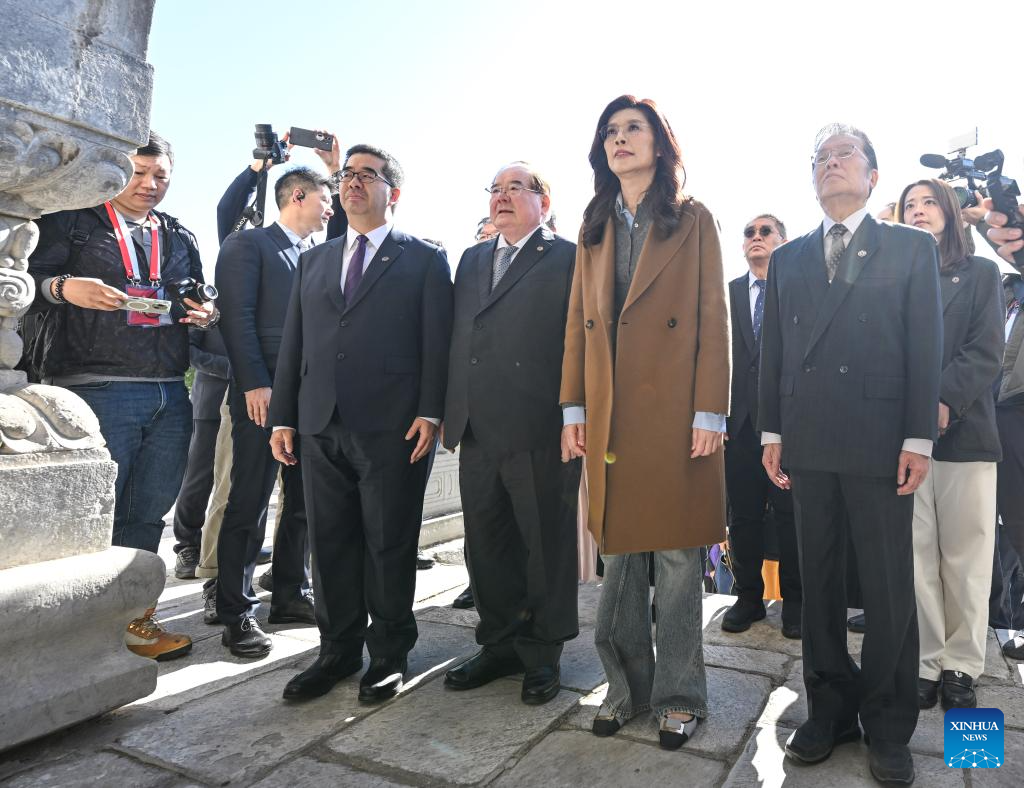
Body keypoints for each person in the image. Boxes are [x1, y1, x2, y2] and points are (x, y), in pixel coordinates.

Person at [758, 124, 942, 785]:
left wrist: (918, 437)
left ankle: (888, 723)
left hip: (880, 442)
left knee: (888, 588)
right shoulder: (789, 258)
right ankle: (829, 710)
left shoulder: (910, 246)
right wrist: (771, 431)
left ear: (872, 175)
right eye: (821, 158)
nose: (831, 164)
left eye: (845, 155)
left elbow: (925, 344)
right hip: (808, 441)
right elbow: (774, 350)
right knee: (818, 584)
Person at [560, 95, 730, 750]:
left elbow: (713, 318)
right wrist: (573, 408)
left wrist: (710, 411)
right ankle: (625, 688)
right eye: (610, 131)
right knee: (620, 556)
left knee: (679, 559)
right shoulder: (594, 224)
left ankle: (681, 697)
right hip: (610, 415)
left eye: (634, 128)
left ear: (661, 143)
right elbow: (578, 323)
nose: (620, 139)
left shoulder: (694, 218)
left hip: (676, 412)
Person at [269, 144, 453, 702]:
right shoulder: (314, 260)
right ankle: (337, 650)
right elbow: (294, 344)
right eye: (346, 174)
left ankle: (389, 654)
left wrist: (431, 410)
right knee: (329, 543)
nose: (352, 182)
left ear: (392, 192)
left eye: (367, 175)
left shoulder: (424, 258)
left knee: (389, 543)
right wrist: (283, 417)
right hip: (319, 422)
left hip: (394, 427)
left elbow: (437, 342)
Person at [26, 131, 217, 660]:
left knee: (147, 513)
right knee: (91, 515)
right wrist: (63, 287)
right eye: (138, 172)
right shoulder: (75, 222)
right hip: (94, 386)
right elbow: (23, 278)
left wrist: (206, 313)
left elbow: (199, 299)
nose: (149, 184)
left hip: (168, 390)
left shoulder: (178, 235)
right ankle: (77, 634)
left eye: (160, 176)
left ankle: (135, 623)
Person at [442, 162, 581, 705]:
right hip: (476, 428)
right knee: (487, 544)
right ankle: (498, 643)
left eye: (515, 188)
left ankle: (543, 653)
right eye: (495, 189)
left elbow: (580, 342)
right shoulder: (472, 258)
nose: (501, 196)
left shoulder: (568, 257)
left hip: (539, 426)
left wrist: (574, 412)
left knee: (544, 545)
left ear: (543, 202)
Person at [894, 178, 1003, 709]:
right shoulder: (891, 281)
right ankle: (927, 661)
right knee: (916, 557)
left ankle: (962, 665)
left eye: (928, 202)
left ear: (950, 212)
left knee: (965, 558)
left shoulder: (981, 273)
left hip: (965, 436)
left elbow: (985, 351)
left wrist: (940, 401)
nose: (918, 211)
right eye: (909, 205)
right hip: (901, 441)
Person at [213, 166, 332, 657]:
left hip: (310, 399)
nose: (331, 208)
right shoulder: (248, 245)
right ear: (297, 196)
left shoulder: (318, 253)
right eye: (326, 198)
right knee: (250, 501)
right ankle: (235, 611)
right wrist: (255, 383)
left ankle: (290, 593)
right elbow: (236, 319)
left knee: (302, 502)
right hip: (262, 397)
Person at [721, 214, 801, 639]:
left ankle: (796, 603)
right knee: (743, 516)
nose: (756, 237)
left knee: (790, 516)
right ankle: (748, 597)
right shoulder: (727, 293)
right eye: (749, 232)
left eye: (765, 231)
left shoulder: (798, 289)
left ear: (782, 242)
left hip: (787, 426)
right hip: (738, 426)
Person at [983, 197, 1024, 661]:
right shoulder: (1004, 289)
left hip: (1017, 415)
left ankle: (1009, 619)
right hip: (987, 414)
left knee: (1017, 526)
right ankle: (993, 617)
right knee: (982, 530)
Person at [171, 326, 231, 580]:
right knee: (198, 478)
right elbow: (186, 350)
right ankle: (187, 545)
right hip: (210, 401)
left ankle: (229, 542)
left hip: (253, 402)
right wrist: (235, 368)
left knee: (239, 481)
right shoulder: (206, 307)